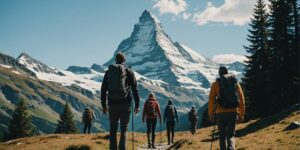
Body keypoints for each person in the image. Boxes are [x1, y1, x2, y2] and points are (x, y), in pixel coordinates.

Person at [101, 52, 140, 150]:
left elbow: (103, 89)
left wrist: (104, 105)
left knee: (113, 129)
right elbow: (135, 89)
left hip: (112, 104)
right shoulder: (129, 71)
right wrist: (137, 105)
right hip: (125, 103)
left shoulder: (109, 71)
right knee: (124, 129)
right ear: (124, 60)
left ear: (115, 59)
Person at [208, 66, 245, 150]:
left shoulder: (216, 84)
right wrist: (241, 114)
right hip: (233, 112)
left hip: (220, 113)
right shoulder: (235, 83)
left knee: (222, 136)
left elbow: (211, 99)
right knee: (231, 135)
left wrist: (211, 113)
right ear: (227, 73)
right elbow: (241, 98)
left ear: (219, 73)